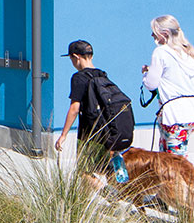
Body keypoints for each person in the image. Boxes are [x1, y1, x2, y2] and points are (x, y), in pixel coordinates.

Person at [54, 39, 136, 177]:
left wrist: (63, 135)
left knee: (86, 173)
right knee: (106, 170)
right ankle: (115, 192)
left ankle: (107, 193)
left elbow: (74, 108)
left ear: (76, 57)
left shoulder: (78, 78)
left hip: (89, 135)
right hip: (107, 133)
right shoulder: (102, 74)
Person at [142, 14, 194, 156]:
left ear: (165, 33)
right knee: (171, 156)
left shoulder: (161, 52)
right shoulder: (190, 52)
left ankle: (179, 178)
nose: (152, 35)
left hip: (174, 113)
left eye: (154, 32)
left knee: (174, 161)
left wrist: (145, 74)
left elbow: (151, 84)